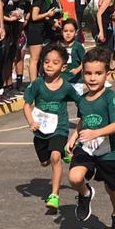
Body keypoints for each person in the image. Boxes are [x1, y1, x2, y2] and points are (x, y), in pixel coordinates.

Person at [66, 46, 115, 229]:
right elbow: (83, 121)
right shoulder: (82, 100)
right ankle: (85, 194)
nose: (92, 78)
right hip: (87, 150)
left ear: (107, 74)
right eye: (88, 73)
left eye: (98, 73)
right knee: (74, 177)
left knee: (113, 190)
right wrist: (74, 137)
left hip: (108, 152)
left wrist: (96, 133)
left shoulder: (110, 98)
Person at [24, 43, 79, 211]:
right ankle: (63, 152)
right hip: (40, 130)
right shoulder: (37, 85)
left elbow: (81, 102)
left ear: (63, 67)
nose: (49, 65)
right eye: (46, 61)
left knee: (55, 158)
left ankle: (54, 195)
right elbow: (27, 104)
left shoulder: (66, 87)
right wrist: (31, 122)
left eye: (55, 63)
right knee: (45, 162)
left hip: (59, 128)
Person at [26, 0, 61, 87]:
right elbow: (34, 16)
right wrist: (48, 14)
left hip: (42, 30)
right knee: (34, 59)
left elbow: (45, 16)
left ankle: (38, 81)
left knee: (41, 57)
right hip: (34, 30)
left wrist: (52, 21)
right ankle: (33, 84)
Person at [60, 18, 86, 92]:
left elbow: (85, 61)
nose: (68, 33)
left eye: (71, 31)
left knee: (77, 101)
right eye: (65, 31)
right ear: (62, 32)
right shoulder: (59, 46)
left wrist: (77, 70)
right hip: (62, 81)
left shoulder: (78, 46)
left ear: (76, 32)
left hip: (76, 81)